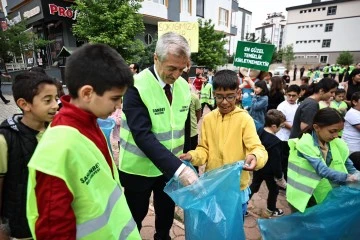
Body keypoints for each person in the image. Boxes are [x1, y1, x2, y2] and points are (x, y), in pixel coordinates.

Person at [26, 44, 141, 239]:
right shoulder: (58, 148)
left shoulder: (90, 123)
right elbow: (53, 230)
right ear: (87, 93)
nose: (118, 106)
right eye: (115, 98)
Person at [118, 32, 198, 240]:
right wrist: (179, 170)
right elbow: (142, 135)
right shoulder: (136, 86)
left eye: (182, 69)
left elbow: (185, 126)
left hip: (170, 169)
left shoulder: (183, 87)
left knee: (166, 213)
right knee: (135, 214)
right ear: (156, 58)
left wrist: (190, 159)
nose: (176, 75)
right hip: (139, 169)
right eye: (171, 68)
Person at [179, 69, 268, 217]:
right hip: (212, 184)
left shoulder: (244, 119)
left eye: (230, 97)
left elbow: (257, 148)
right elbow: (204, 150)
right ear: (214, 95)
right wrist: (192, 156)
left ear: (238, 95)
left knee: (232, 228)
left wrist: (255, 157)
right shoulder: (208, 119)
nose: (224, 102)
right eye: (219, 97)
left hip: (236, 188)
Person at [0, 72, 58, 239]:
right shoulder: (5, 139)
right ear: (24, 104)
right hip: (22, 228)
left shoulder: (58, 131)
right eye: (48, 100)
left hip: (55, 221)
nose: (55, 105)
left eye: (56, 98)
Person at [286, 108, 360, 213]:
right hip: (304, 196)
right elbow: (322, 170)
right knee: (303, 226)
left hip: (322, 194)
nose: (336, 135)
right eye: (332, 131)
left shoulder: (338, 143)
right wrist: (349, 178)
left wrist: (356, 175)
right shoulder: (305, 143)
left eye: (339, 131)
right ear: (316, 127)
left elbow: (349, 166)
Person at [248, 109, 287, 218]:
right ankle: (271, 209)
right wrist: (280, 177)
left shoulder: (259, 132)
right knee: (274, 190)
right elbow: (276, 163)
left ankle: (243, 204)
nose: (281, 129)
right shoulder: (275, 142)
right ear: (274, 126)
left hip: (258, 166)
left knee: (254, 186)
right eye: (281, 126)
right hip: (270, 172)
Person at [276, 84, 301, 181]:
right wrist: (295, 129)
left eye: (293, 95)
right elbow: (281, 121)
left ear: (298, 95)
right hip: (282, 138)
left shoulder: (298, 106)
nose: (290, 97)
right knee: (283, 161)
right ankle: (281, 180)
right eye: (289, 95)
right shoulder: (282, 106)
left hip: (293, 138)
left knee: (289, 160)